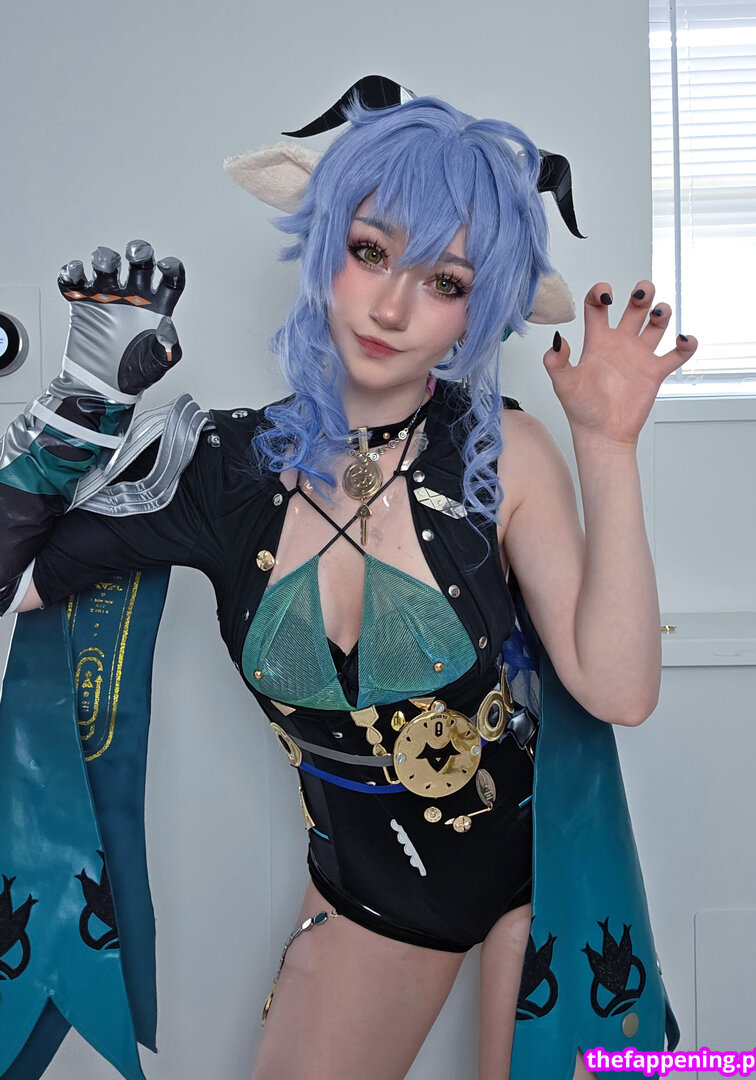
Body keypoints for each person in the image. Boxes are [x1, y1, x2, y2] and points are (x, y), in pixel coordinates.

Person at [0, 82, 693, 1080]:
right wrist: (76, 422)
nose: (393, 307)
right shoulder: (219, 471)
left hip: (549, 874)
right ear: (324, 245)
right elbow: (18, 587)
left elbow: (618, 690)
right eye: (370, 252)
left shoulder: (503, 454)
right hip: (371, 901)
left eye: (444, 280)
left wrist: (608, 446)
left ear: (479, 311)